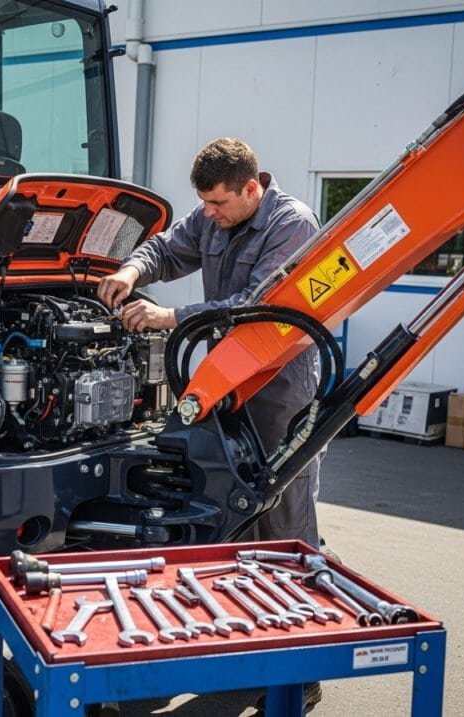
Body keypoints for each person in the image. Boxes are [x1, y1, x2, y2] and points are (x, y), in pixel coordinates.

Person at [98, 137, 325, 712]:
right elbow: (167, 249)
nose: (209, 215)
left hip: (281, 390)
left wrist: (169, 315)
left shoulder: (291, 225)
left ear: (252, 188)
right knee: (236, 512)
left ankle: (305, 663)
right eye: (203, 203)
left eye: (219, 203)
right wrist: (130, 269)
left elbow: (259, 303)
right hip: (232, 385)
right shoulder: (212, 219)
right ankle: (246, 650)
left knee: (286, 517)